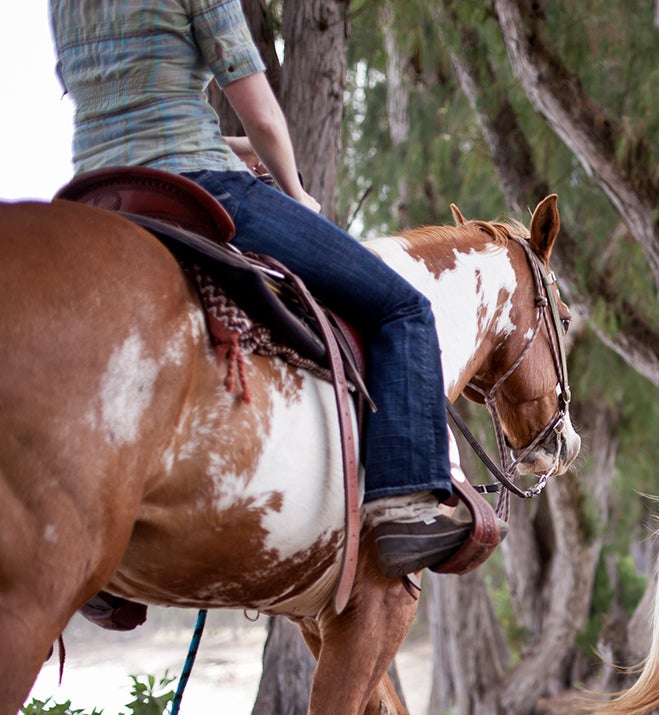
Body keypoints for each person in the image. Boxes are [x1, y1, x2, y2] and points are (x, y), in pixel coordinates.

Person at [49, 0, 469, 578]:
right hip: (194, 185)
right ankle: (405, 506)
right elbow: (263, 118)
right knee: (402, 307)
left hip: (93, 193)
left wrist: (239, 152)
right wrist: (296, 194)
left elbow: (137, 105)